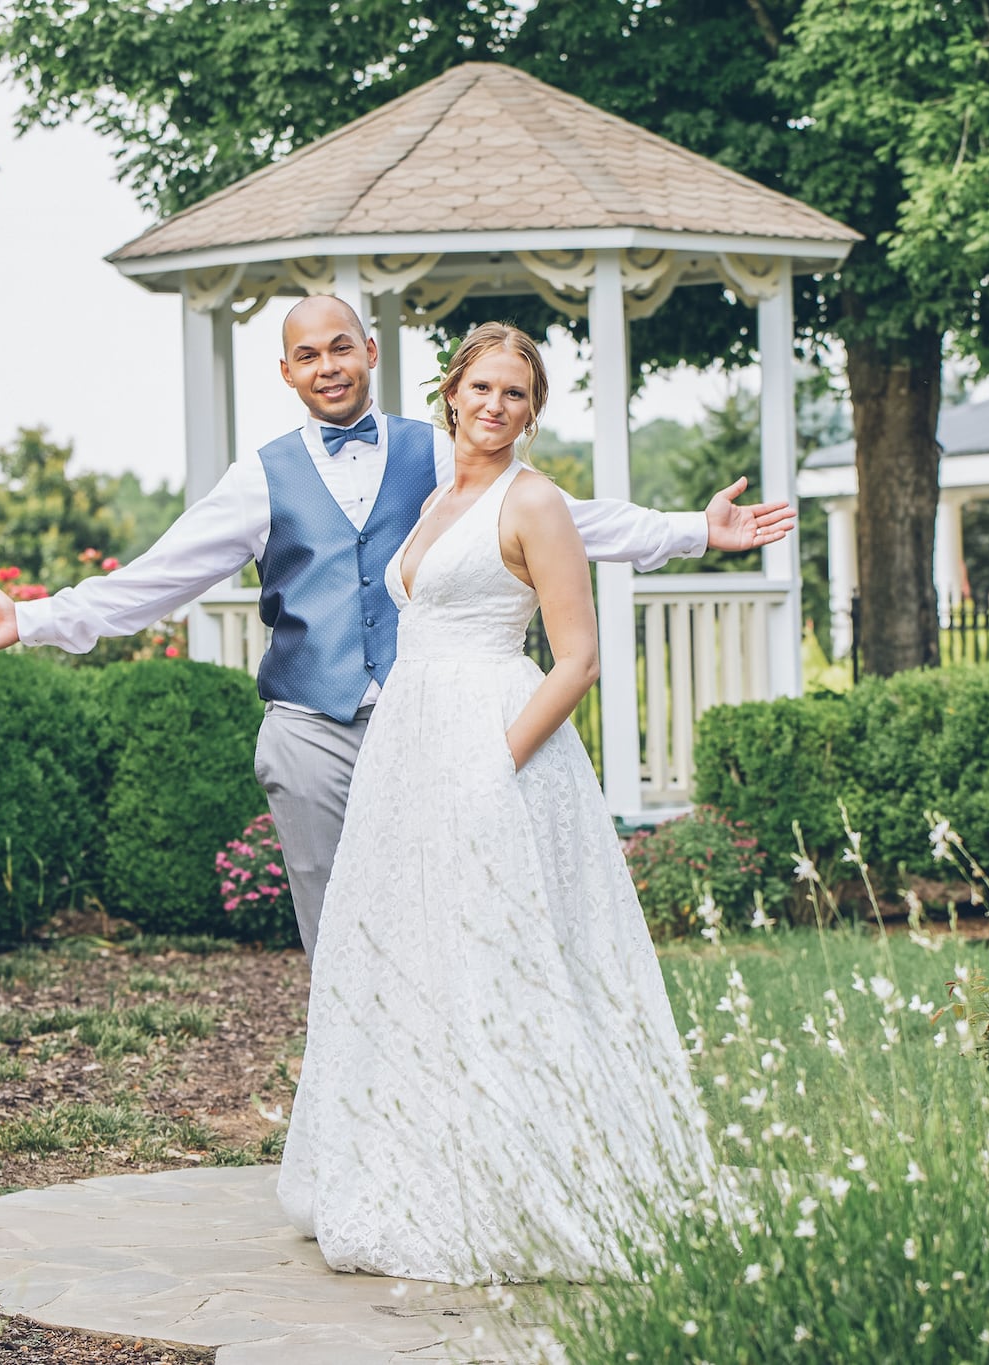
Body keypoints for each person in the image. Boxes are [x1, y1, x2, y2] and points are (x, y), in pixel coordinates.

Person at [0, 296, 794, 957]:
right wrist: (32, 617)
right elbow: (156, 579)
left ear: (372, 352)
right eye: (308, 355)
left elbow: (566, 519)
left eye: (343, 346)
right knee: (339, 941)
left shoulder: (439, 450)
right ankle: (357, 1117)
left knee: (444, 925)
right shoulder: (258, 478)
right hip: (308, 731)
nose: (329, 365)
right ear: (288, 374)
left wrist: (688, 529)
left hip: (422, 726)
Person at [275, 322, 719, 1284]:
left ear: (533, 408)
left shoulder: (537, 501)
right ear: (450, 392)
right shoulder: (439, 494)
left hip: (494, 738)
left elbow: (580, 659)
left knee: (499, 951)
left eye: (515, 394)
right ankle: (412, 1155)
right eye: (481, 386)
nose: (495, 406)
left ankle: (523, 1177)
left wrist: (494, 760)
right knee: (415, 951)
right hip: (410, 743)